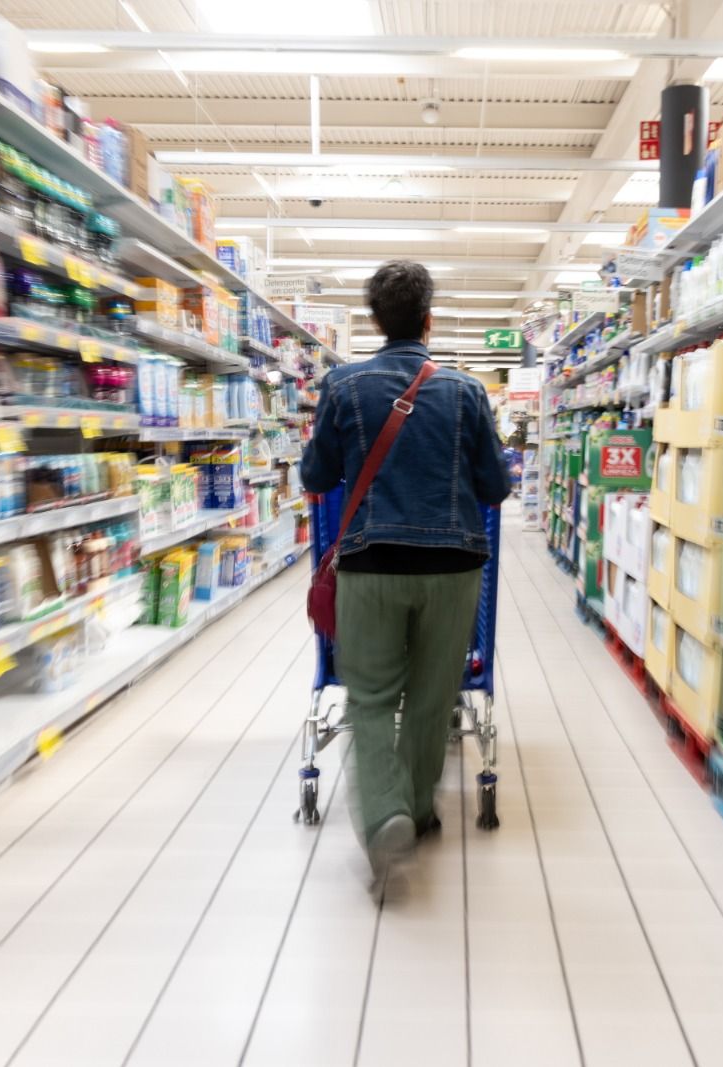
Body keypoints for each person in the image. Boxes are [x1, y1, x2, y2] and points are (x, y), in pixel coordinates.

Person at [301, 260, 511, 881]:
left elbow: (316, 478)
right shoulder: (468, 391)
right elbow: (495, 489)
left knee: (369, 697)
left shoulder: (342, 386)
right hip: (454, 570)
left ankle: (385, 814)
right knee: (431, 697)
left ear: (374, 321)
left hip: (371, 566)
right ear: (429, 319)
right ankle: (419, 812)